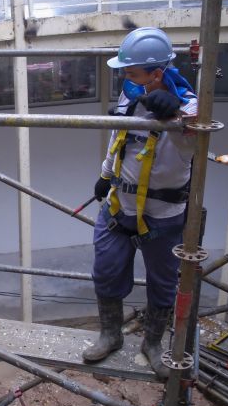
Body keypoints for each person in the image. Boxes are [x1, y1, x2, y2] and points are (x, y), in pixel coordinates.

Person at [83, 27, 198, 379]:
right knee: (106, 270)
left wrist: (176, 118)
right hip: (120, 208)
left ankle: (152, 344)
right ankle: (111, 334)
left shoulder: (192, 106)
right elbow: (118, 138)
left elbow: (191, 147)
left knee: (163, 283)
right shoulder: (132, 93)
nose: (125, 77)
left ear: (157, 73)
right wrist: (105, 174)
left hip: (163, 216)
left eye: (131, 72)